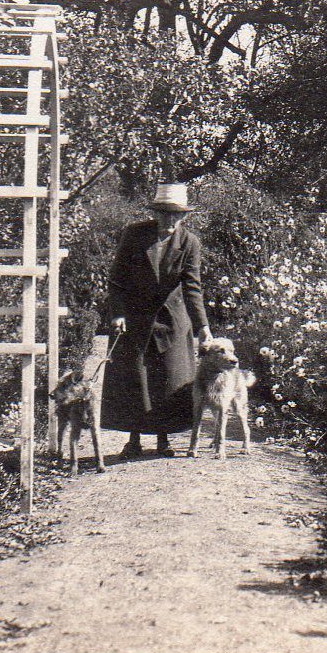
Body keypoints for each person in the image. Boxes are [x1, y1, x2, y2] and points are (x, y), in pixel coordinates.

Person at [100, 182, 213, 458]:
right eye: (165, 214)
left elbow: (192, 288)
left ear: (184, 216)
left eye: (177, 215)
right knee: (134, 378)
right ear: (155, 213)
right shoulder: (134, 235)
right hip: (134, 317)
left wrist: (203, 327)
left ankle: (164, 438)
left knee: (169, 379)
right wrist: (118, 313)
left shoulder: (189, 242)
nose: (170, 220)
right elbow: (117, 279)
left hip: (172, 319)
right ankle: (133, 439)